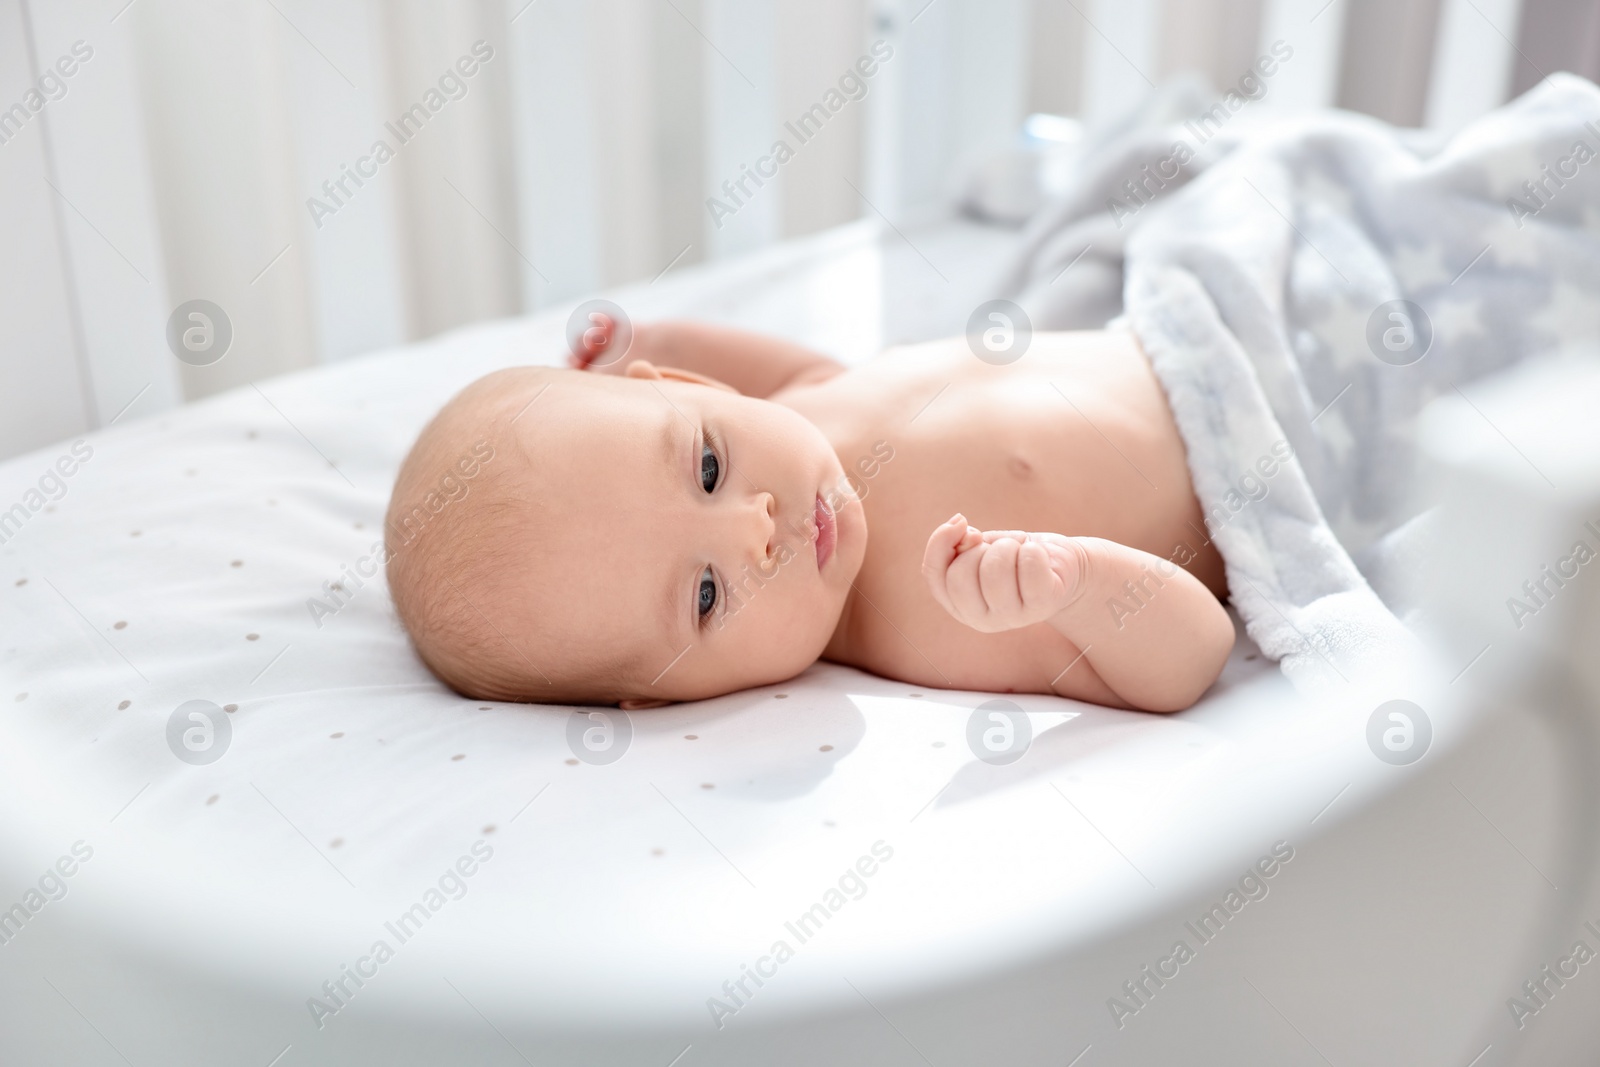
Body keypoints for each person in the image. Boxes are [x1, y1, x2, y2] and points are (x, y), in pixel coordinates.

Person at [385, 315, 1235, 712]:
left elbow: (805, 370)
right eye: (709, 595)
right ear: (669, 696)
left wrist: (656, 342)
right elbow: (1196, 655)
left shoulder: (801, 412)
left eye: (708, 467)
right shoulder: (929, 613)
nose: (755, 527)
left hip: (1185, 321)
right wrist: (1079, 585)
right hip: (1253, 447)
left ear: (691, 390)